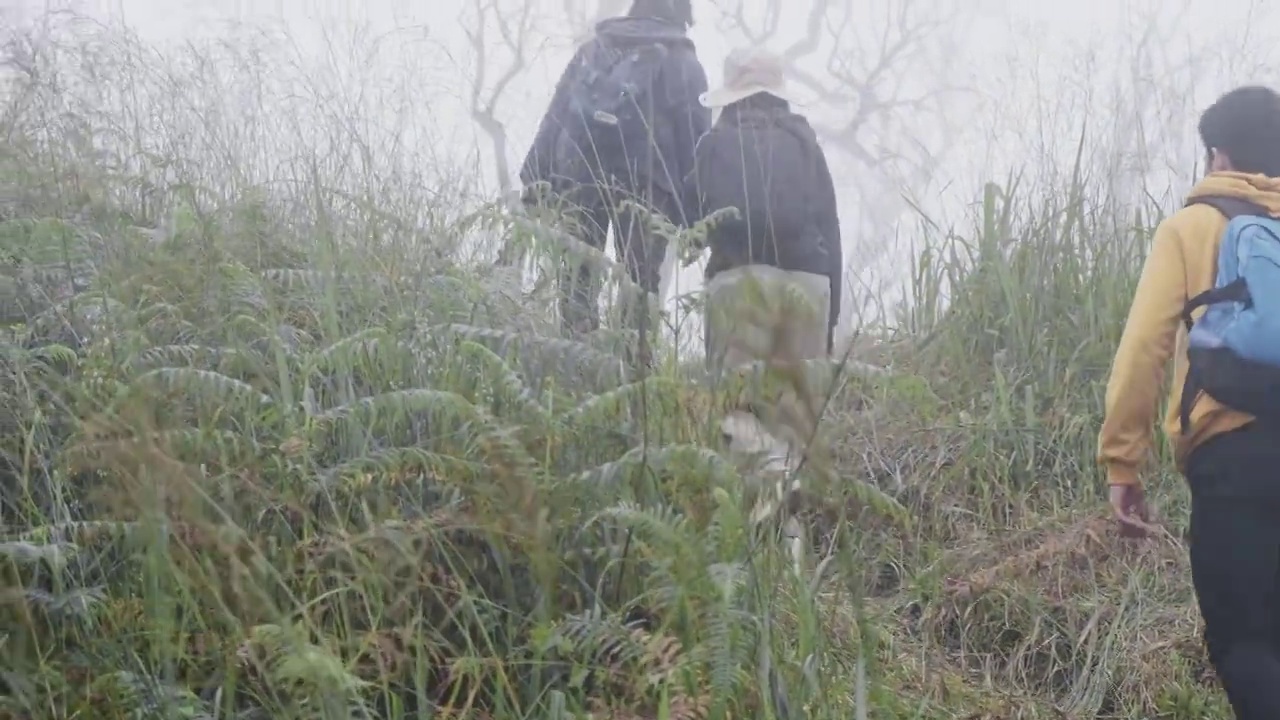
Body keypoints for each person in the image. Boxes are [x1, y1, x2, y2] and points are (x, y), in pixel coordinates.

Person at [1097, 85, 1280, 719]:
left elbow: (1145, 345)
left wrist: (1124, 463)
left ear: (1220, 156)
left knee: (1247, 642)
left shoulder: (1193, 225)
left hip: (1233, 463)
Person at [518, 0, 710, 368]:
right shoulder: (683, 62)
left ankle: (575, 366)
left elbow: (557, 115)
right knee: (639, 285)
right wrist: (696, 219)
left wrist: (536, 179)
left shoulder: (594, 49)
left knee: (577, 276)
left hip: (578, 173)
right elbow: (696, 139)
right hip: (646, 185)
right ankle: (631, 378)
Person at [682, 46, 842, 472]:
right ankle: (788, 531)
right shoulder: (806, 144)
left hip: (738, 286)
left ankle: (753, 523)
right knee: (795, 428)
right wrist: (830, 325)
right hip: (808, 288)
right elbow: (831, 232)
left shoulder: (714, 143)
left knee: (739, 419)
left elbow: (689, 229)